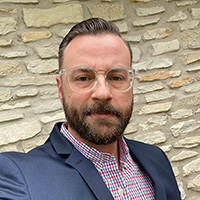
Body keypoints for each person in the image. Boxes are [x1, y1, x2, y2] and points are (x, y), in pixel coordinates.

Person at [0, 18, 181, 200]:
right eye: (83, 78)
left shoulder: (156, 158)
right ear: (61, 88)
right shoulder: (21, 177)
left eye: (116, 77)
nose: (102, 93)